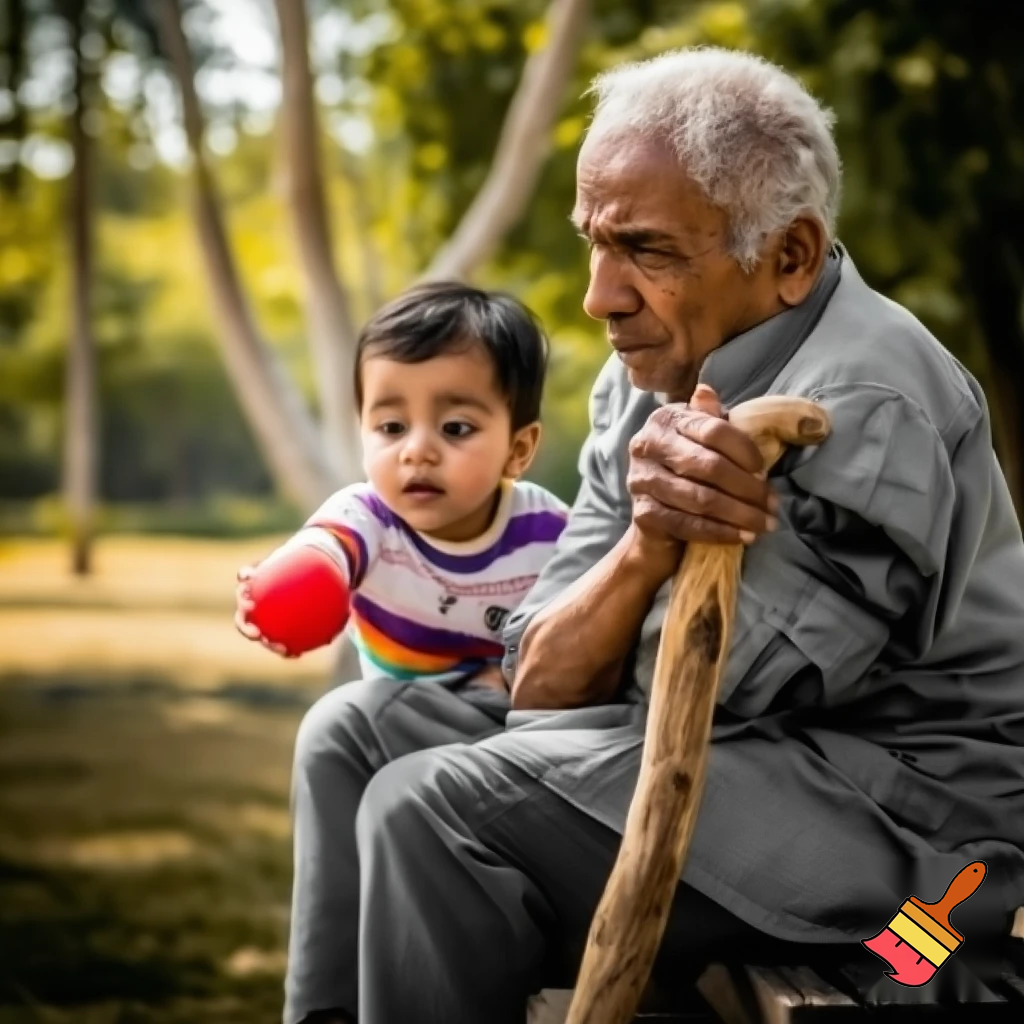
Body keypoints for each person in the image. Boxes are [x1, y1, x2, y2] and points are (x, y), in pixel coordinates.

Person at [283, 47, 1024, 1024]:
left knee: (433, 804)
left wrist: (624, 581)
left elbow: (718, 692)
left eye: (646, 250)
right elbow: (543, 675)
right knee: (353, 733)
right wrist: (646, 544)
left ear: (791, 256)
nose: (600, 296)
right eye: (594, 242)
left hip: (901, 816)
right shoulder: (649, 370)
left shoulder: (865, 402)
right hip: (744, 755)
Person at [235, 280, 567, 683]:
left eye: (455, 428)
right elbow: (324, 549)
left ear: (517, 450)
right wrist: (281, 584)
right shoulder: (366, 517)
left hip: (514, 706)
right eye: (392, 427)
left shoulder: (550, 531)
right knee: (339, 714)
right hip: (397, 706)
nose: (416, 451)